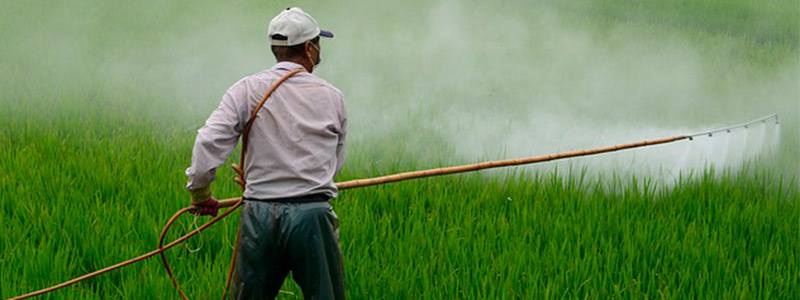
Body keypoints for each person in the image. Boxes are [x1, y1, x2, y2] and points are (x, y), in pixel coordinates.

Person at [184, 7, 347, 300]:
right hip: (313, 216)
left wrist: (200, 194)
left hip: (259, 216)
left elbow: (208, 141)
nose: (320, 50)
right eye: (318, 43)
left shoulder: (246, 89)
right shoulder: (332, 97)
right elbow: (334, 163)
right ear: (309, 48)